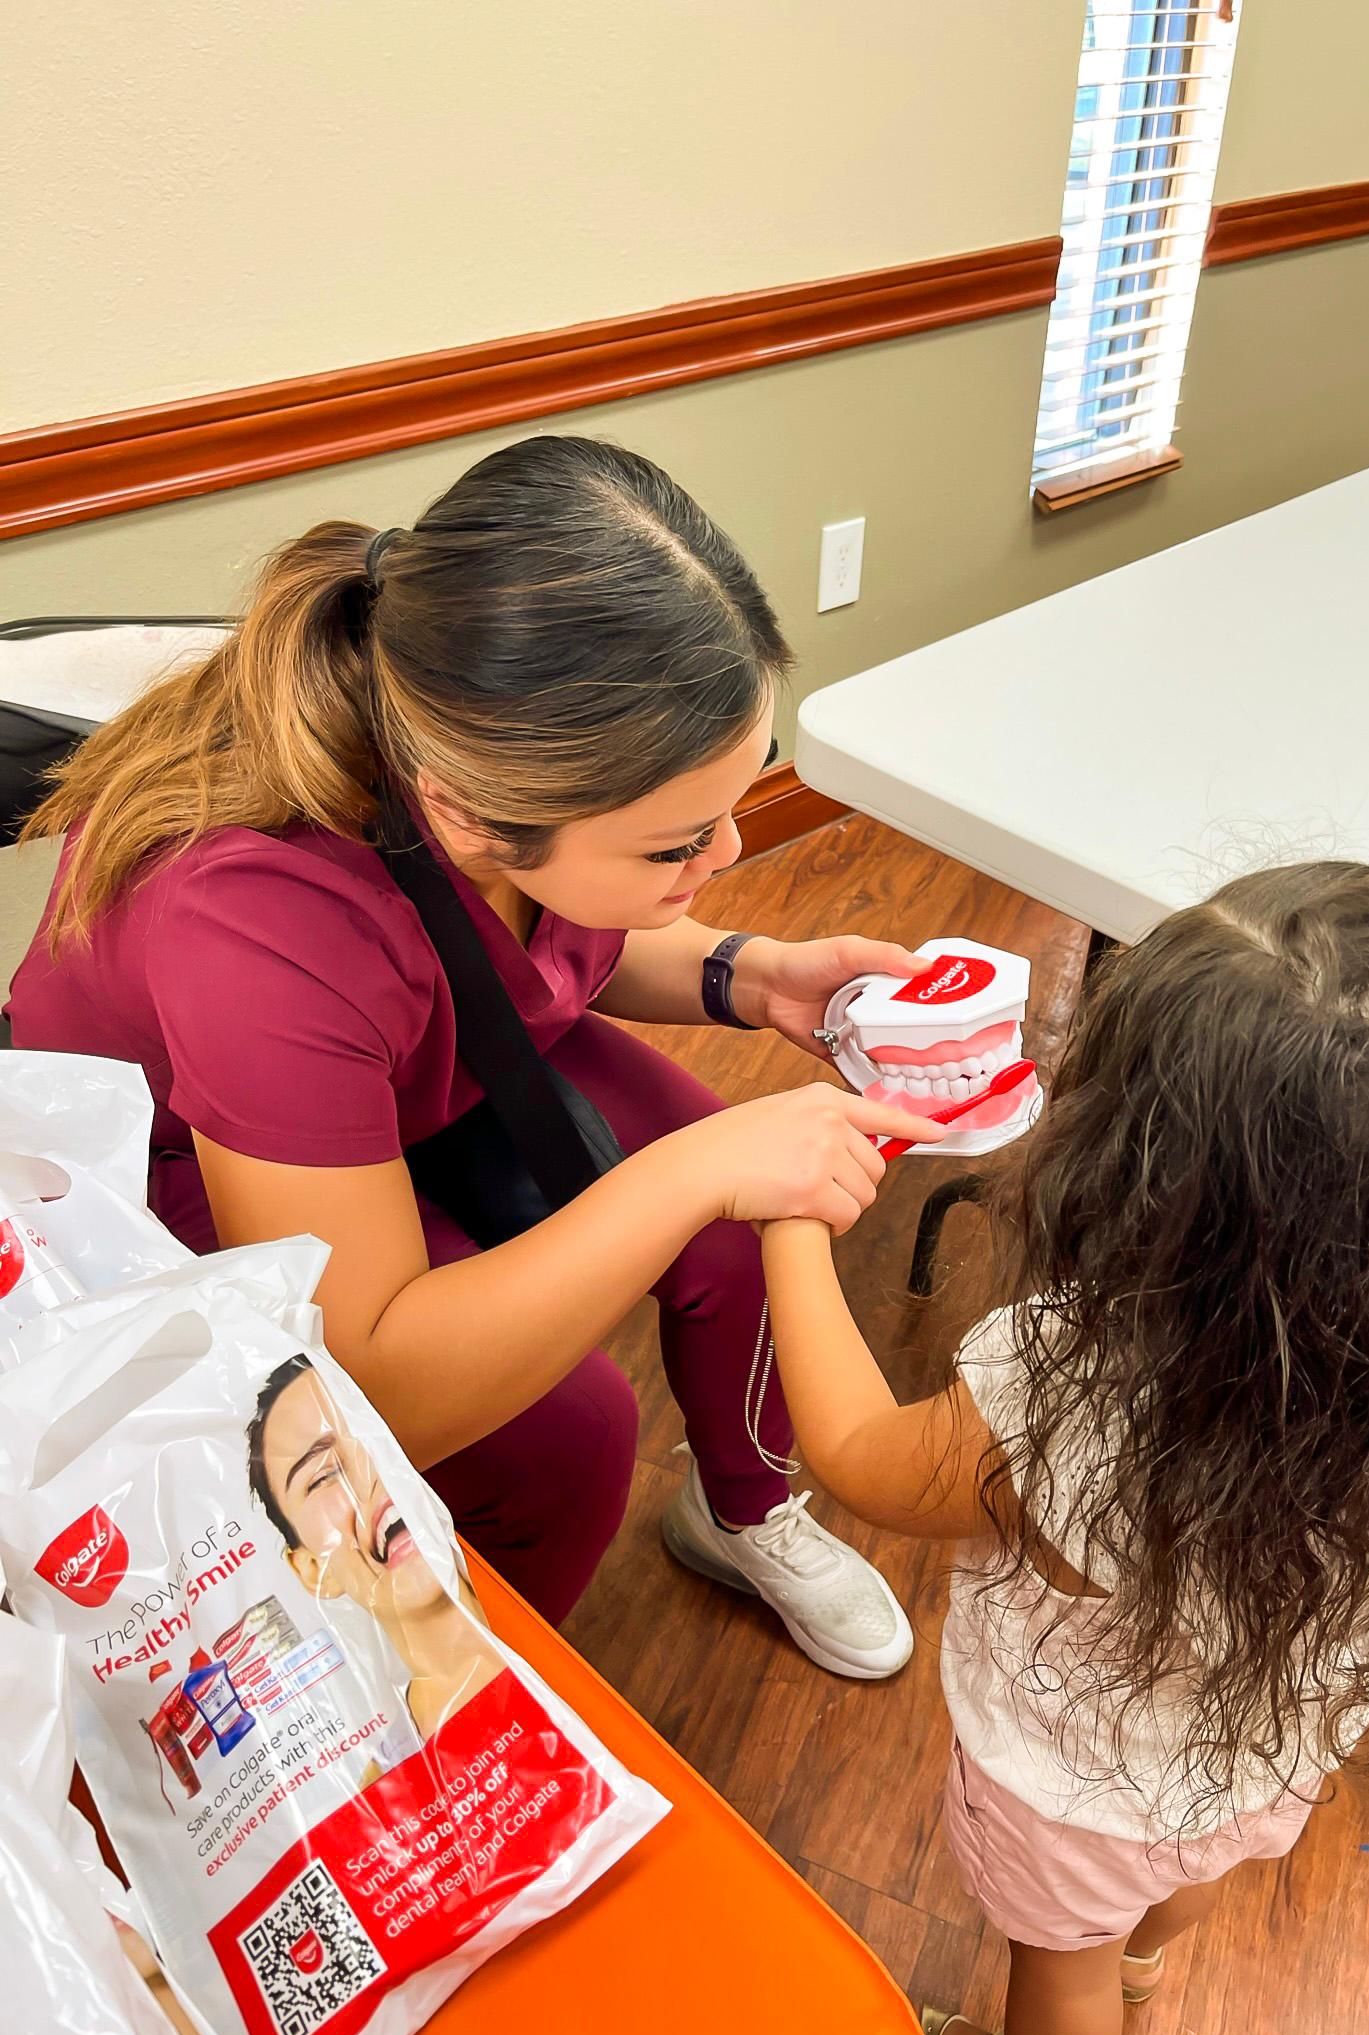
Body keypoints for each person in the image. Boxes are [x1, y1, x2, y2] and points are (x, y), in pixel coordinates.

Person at [6, 434, 943, 1677]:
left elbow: (564, 938)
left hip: (398, 1059)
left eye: (738, 800)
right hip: (184, 1154)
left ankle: (743, 1507)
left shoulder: (486, 762)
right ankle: (434, 1699)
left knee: (747, 1228)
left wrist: (751, 971)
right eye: (677, 844)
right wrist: (690, 1169)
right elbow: (380, 1366)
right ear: (461, 814)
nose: (723, 857)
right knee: (567, 1440)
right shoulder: (249, 912)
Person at [760, 818, 1369, 2035]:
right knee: (1176, 1889)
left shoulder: (1064, 1391)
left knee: (1057, 1962)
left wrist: (789, 1223)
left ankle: (1097, 1999)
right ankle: (1145, 1988)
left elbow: (856, 1451)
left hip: (1074, 1796)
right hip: (1269, 1751)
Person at [248, 1354, 501, 1747]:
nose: (369, 1477)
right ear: (314, 1569)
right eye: (323, 1476)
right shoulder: (390, 1784)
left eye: (371, 1434)